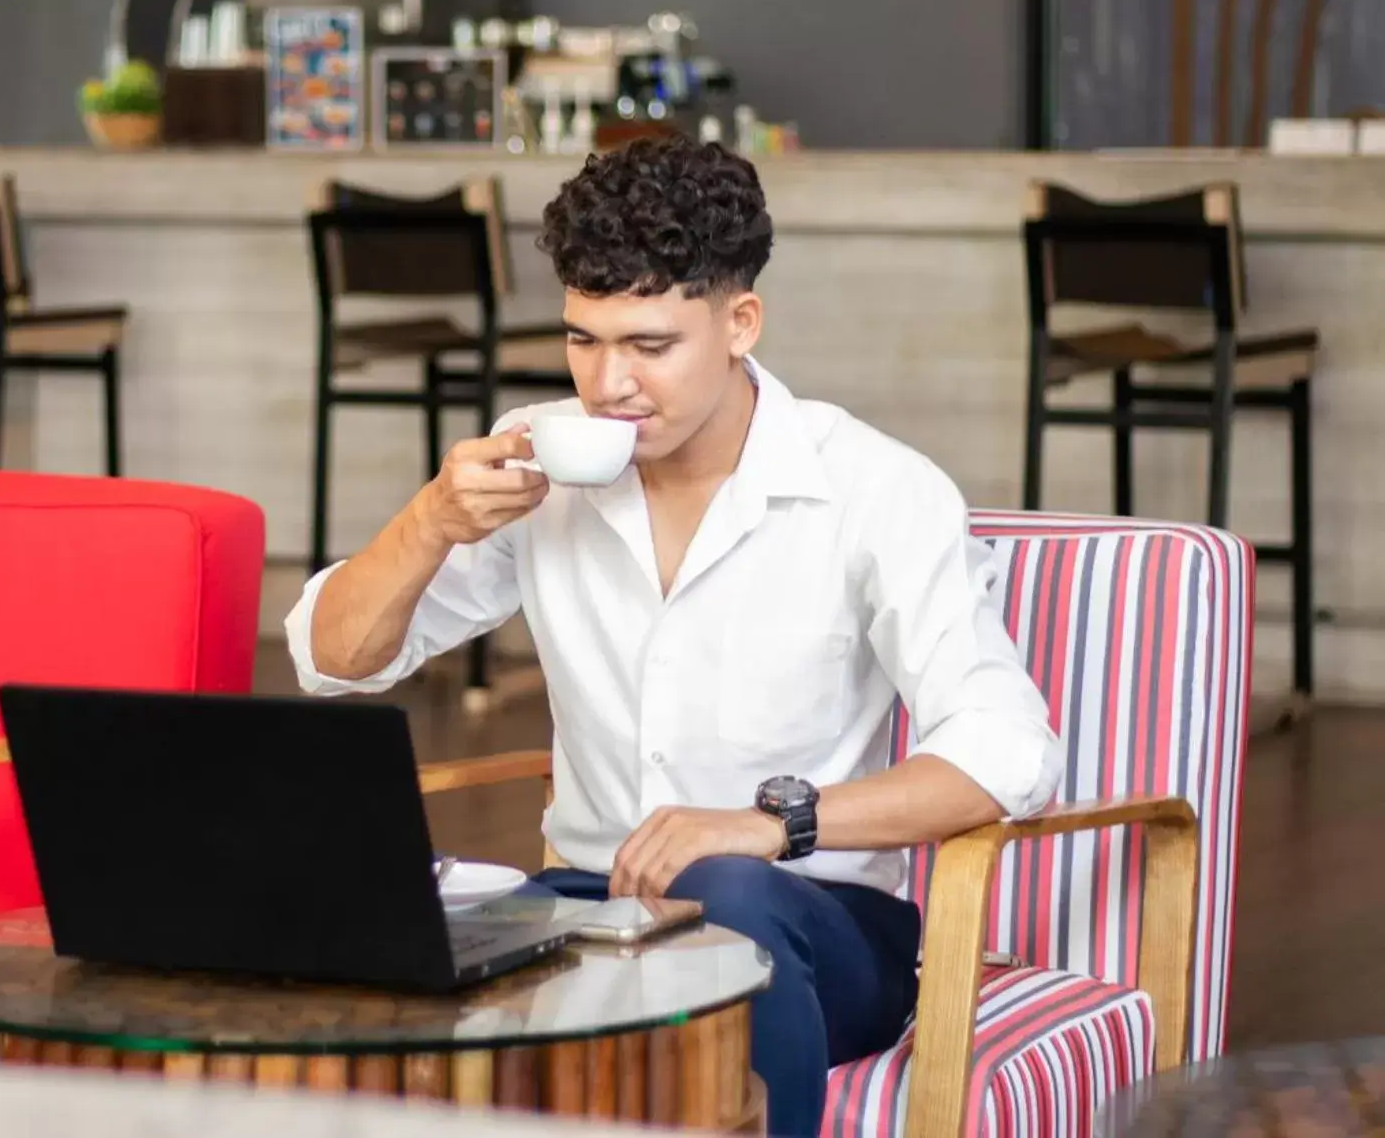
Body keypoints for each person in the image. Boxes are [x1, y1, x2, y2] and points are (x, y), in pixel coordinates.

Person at [283, 134, 1065, 1137]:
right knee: (383, 928)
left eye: (648, 347)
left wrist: (766, 824)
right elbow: (332, 659)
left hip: (814, 922)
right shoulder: (538, 468)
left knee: (724, 894)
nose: (606, 384)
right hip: (585, 906)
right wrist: (431, 520)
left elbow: (1006, 754)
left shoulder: (872, 488)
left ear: (740, 322)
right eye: (580, 340)